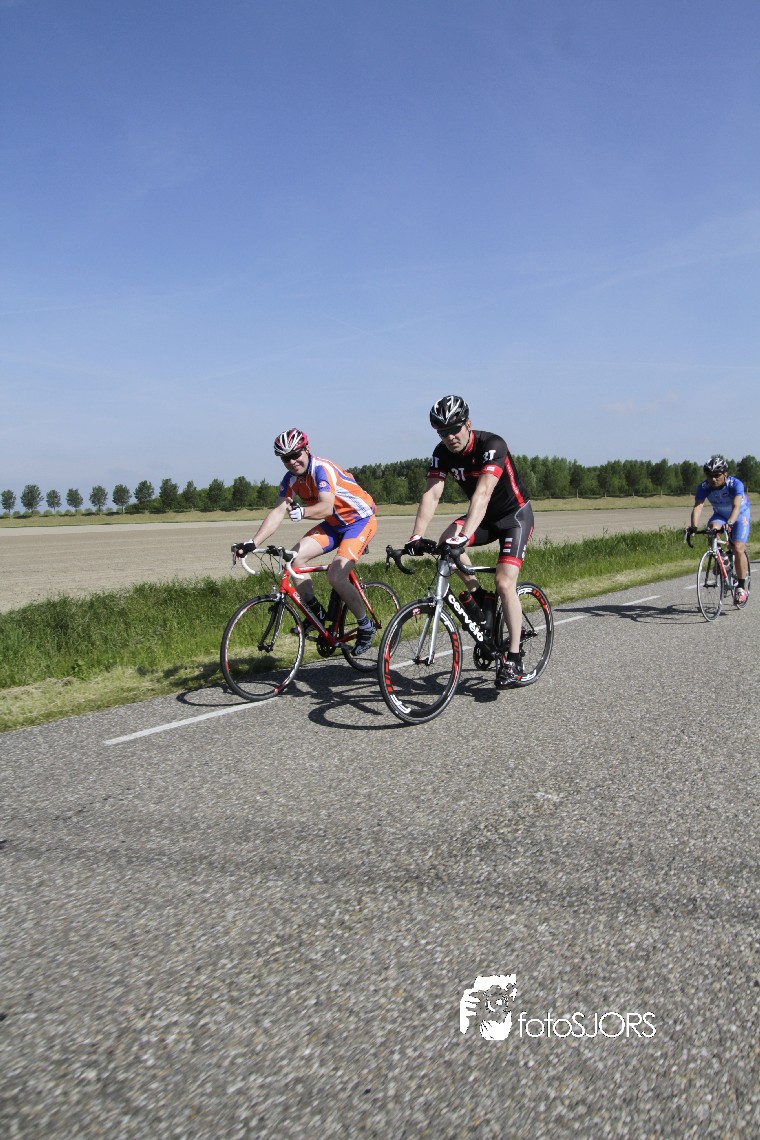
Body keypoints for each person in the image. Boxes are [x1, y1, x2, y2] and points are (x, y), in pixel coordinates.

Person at [405, 395, 534, 688]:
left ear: (468, 424)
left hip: (514, 517)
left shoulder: (492, 445)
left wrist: (463, 536)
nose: (450, 437)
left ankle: (514, 658)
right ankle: (479, 595)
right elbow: (432, 494)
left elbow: (483, 493)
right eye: (442, 432)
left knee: (505, 583)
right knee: (445, 542)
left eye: (455, 429)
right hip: (484, 518)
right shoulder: (442, 452)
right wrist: (416, 535)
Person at [233, 429, 378, 654]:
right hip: (333, 525)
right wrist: (252, 543)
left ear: (307, 450)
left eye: (295, 455)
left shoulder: (322, 469)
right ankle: (315, 614)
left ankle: (365, 625)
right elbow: (278, 511)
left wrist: (303, 512)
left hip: (359, 521)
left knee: (336, 576)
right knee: (294, 560)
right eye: (285, 458)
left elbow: (326, 506)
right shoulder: (290, 479)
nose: (292, 461)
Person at [688, 454, 751, 604]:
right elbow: (698, 506)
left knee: (738, 547)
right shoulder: (704, 487)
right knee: (711, 529)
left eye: (717, 475)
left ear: (725, 474)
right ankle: (722, 557)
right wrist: (693, 527)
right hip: (720, 515)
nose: (713, 479)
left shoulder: (735, 484)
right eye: (710, 475)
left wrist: (730, 522)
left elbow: (736, 506)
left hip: (739, 515)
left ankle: (741, 587)